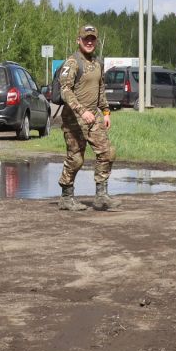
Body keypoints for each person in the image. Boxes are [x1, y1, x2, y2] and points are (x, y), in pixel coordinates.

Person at [55, 25, 114, 211]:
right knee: (76, 159)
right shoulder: (72, 63)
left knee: (107, 152)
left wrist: (105, 112)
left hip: (94, 116)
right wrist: (81, 111)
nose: (89, 42)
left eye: (92, 39)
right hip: (74, 118)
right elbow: (65, 91)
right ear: (78, 40)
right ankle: (66, 197)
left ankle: (101, 196)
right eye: (85, 38)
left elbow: (101, 89)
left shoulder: (98, 63)